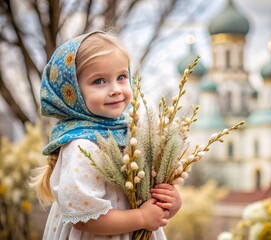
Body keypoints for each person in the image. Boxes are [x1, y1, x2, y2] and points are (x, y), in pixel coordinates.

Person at [30, 30, 182, 240]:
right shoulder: (82, 145)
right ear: (72, 93)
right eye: (99, 81)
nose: (115, 89)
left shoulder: (133, 132)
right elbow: (84, 219)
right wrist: (140, 217)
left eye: (121, 77)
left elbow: (147, 198)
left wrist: (170, 202)